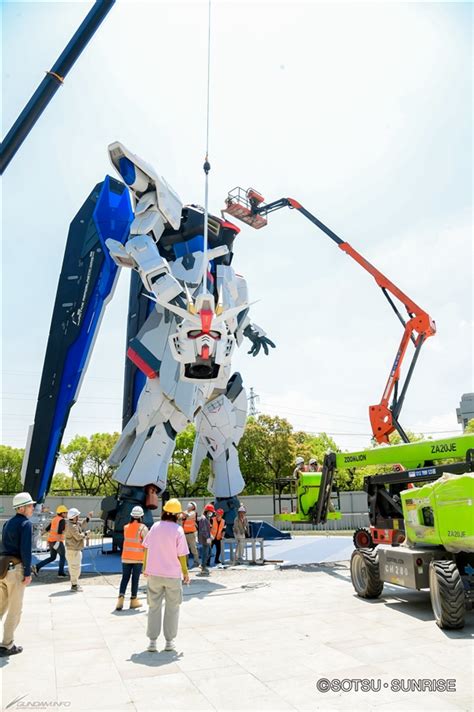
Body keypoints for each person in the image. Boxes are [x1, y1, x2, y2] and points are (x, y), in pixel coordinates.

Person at [143, 498, 189, 653]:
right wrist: (185, 572)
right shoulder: (178, 530)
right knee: (172, 608)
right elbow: (182, 554)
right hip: (172, 576)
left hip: (154, 574)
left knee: (153, 607)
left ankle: (152, 642)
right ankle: (169, 642)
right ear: (177, 515)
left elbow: (146, 548)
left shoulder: (154, 527)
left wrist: (145, 568)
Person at [0, 492, 35, 657]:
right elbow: (25, 550)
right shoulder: (26, 524)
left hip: (3, 569)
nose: (32, 508)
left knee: (0, 608)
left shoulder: (7, 523)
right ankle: (7, 645)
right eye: (30, 505)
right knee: (15, 609)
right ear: (21, 508)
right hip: (15, 571)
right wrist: (27, 573)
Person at [116, 505, 148, 611]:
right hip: (138, 558)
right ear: (141, 516)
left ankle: (120, 600)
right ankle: (133, 600)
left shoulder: (126, 527)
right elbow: (147, 542)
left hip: (126, 557)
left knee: (125, 578)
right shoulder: (143, 528)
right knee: (135, 579)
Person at [32, 505, 68, 577]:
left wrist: (41, 534)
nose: (67, 514)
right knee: (63, 556)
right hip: (57, 541)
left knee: (52, 557)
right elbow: (59, 532)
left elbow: (47, 529)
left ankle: (37, 566)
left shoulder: (54, 519)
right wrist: (67, 531)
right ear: (62, 513)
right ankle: (61, 573)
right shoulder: (62, 520)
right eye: (66, 512)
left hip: (51, 541)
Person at [64, 508, 93, 592]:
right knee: (75, 568)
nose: (79, 517)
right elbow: (78, 536)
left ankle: (74, 584)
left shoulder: (74, 524)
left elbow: (81, 525)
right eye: (77, 516)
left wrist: (88, 518)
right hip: (73, 550)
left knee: (74, 568)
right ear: (73, 517)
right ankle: (74, 585)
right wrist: (86, 534)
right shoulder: (71, 526)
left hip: (74, 550)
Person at [181, 501, 200, 568]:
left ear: (193, 507)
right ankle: (186, 564)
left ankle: (196, 562)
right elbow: (180, 517)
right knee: (185, 550)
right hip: (184, 533)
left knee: (193, 549)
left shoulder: (193, 513)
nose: (189, 505)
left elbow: (186, 516)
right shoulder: (185, 512)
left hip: (191, 534)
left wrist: (180, 511)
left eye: (191, 505)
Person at [197, 504, 214, 575]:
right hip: (205, 539)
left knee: (209, 552)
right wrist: (208, 538)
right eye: (210, 511)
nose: (211, 513)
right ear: (207, 511)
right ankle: (203, 567)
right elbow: (204, 531)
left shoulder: (206, 518)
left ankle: (203, 566)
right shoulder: (204, 519)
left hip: (207, 538)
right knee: (206, 553)